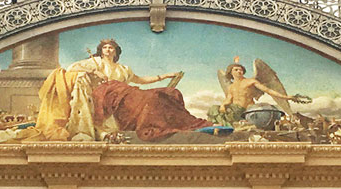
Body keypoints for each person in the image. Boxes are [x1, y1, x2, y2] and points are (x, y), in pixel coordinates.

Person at [30, 39, 209, 141]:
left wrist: (164, 76)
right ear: (101, 51)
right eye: (105, 47)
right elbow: (72, 68)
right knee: (145, 98)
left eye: (111, 47)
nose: (108, 50)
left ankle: (184, 123)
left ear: (116, 51)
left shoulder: (123, 69)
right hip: (106, 95)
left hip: (126, 93)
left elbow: (141, 80)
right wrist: (94, 71)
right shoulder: (95, 62)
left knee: (159, 95)